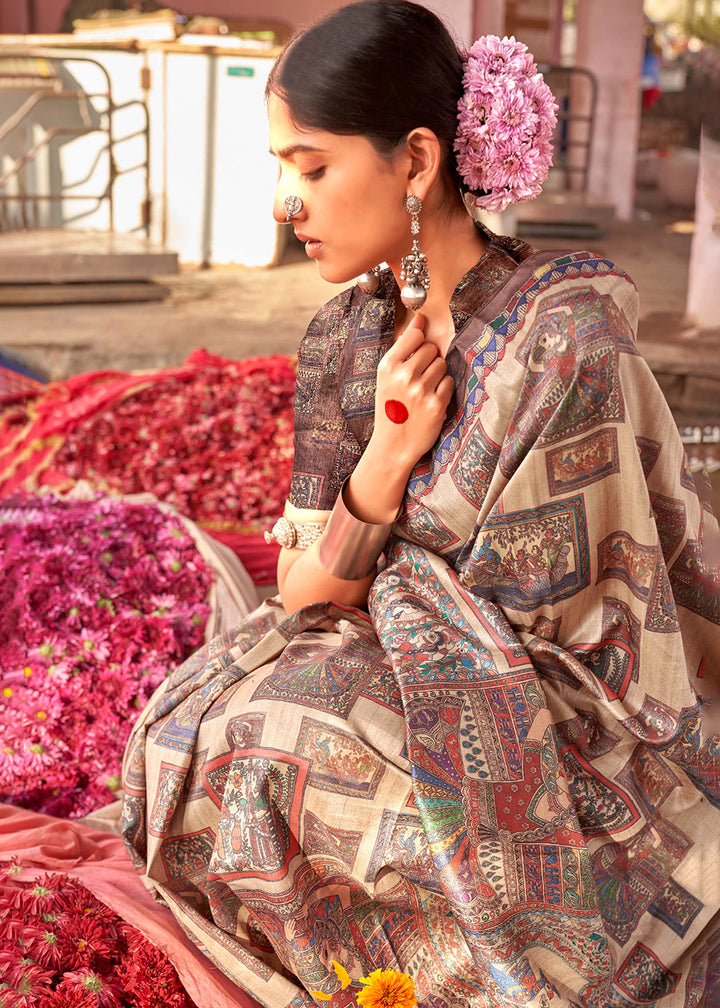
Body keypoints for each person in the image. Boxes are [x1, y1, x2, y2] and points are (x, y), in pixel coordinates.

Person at [121, 3, 720, 1005]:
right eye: (282, 167)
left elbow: (594, 640)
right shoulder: (345, 341)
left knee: (301, 751)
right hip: (402, 669)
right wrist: (387, 459)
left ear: (415, 160)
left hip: (559, 721)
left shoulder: (566, 338)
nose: (284, 200)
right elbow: (305, 592)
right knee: (210, 729)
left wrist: (422, 628)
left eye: (310, 167)